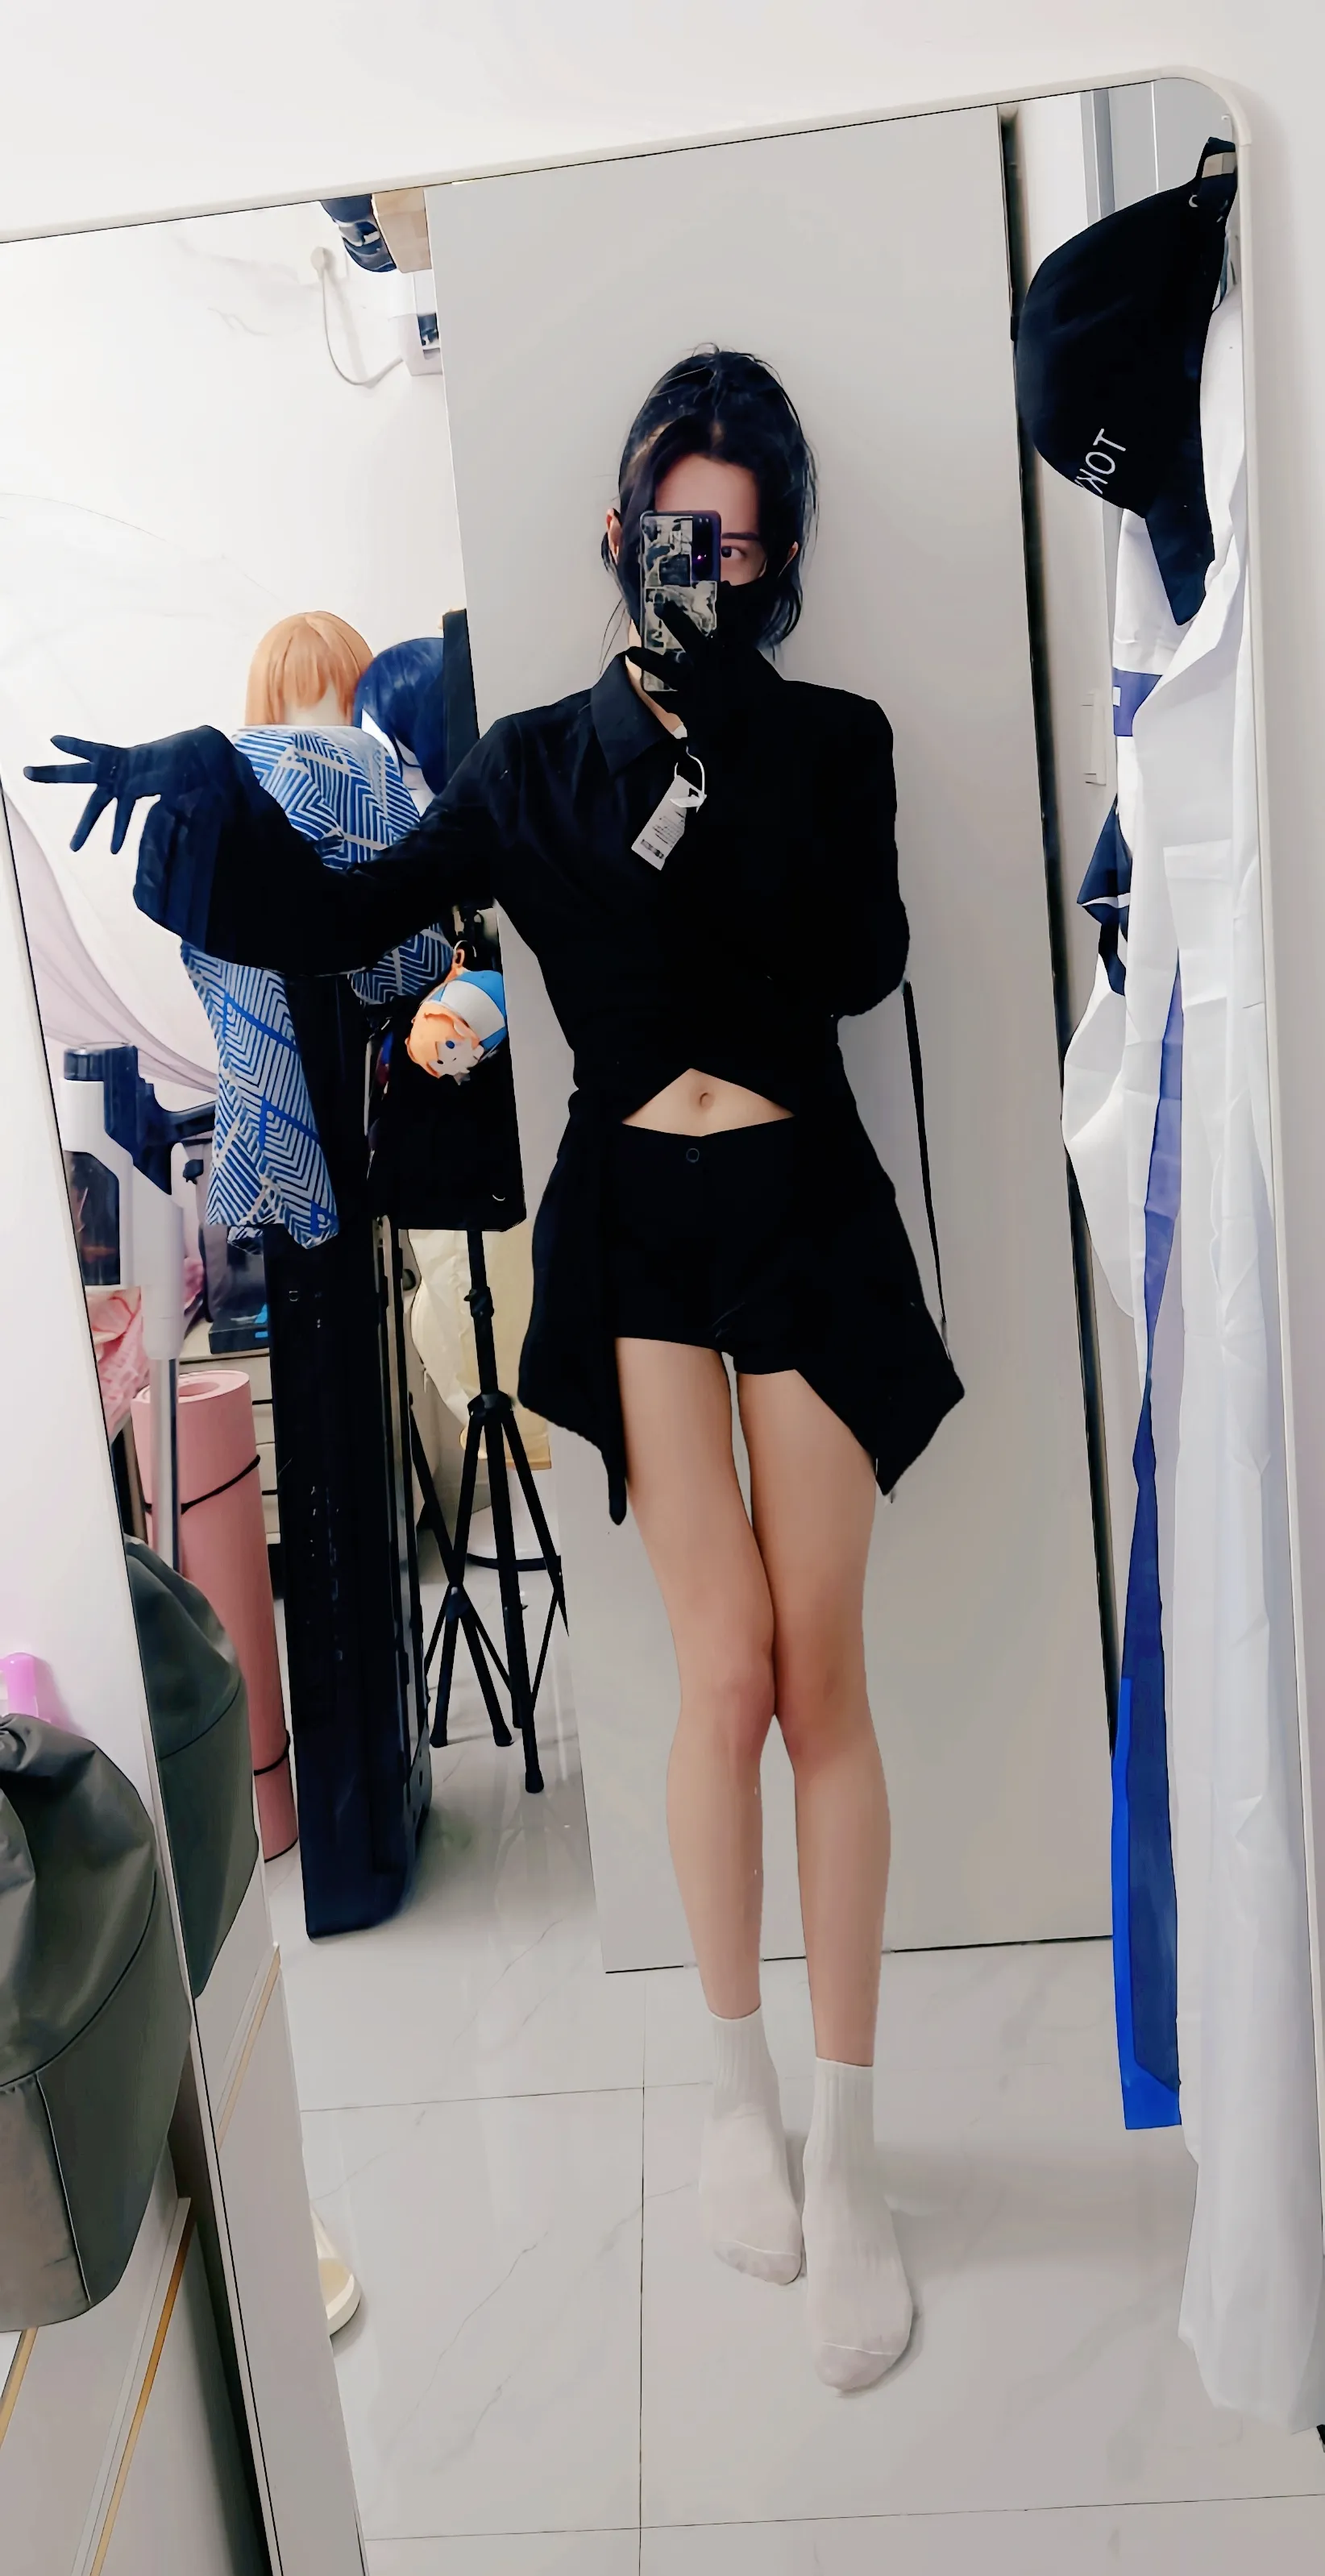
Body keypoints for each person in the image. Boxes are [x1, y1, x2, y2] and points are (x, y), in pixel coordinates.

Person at [30, 345, 962, 2391]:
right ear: (616, 532)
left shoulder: (836, 738)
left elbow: (869, 960)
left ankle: (853, 2147)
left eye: (735, 541)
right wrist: (224, 778)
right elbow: (348, 909)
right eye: (672, 532)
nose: (700, 565)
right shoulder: (533, 764)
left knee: (823, 1675)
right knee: (723, 1671)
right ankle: (736, 2101)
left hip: (804, 1206)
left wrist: (741, 765)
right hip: (636, 1227)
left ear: (780, 555)